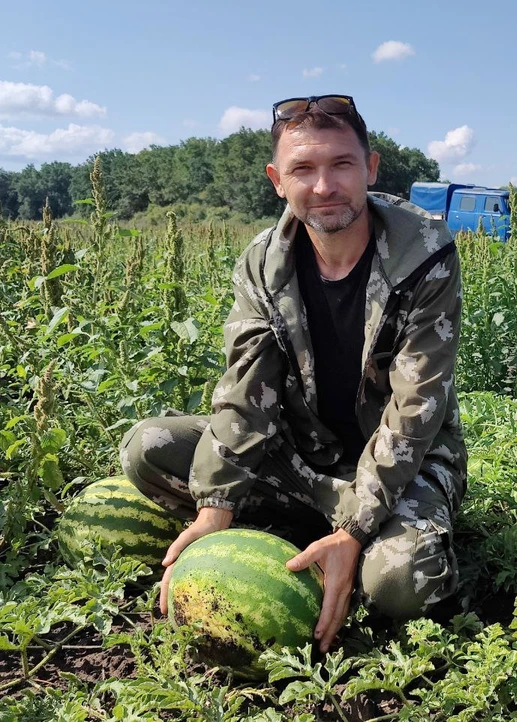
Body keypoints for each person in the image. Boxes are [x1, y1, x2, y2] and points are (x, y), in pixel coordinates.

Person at [120, 94, 466, 653]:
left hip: (402, 461)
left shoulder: (422, 253)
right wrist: (215, 506)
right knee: (149, 447)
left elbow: (415, 409)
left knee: (401, 584)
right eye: (303, 169)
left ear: (371, 168)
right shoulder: (263, 263)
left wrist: (355, 529)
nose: (324, 186)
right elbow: (245, 392)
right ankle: (309, 529)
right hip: (304, 459)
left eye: (342, 165)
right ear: (277, 180)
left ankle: (359, 539)